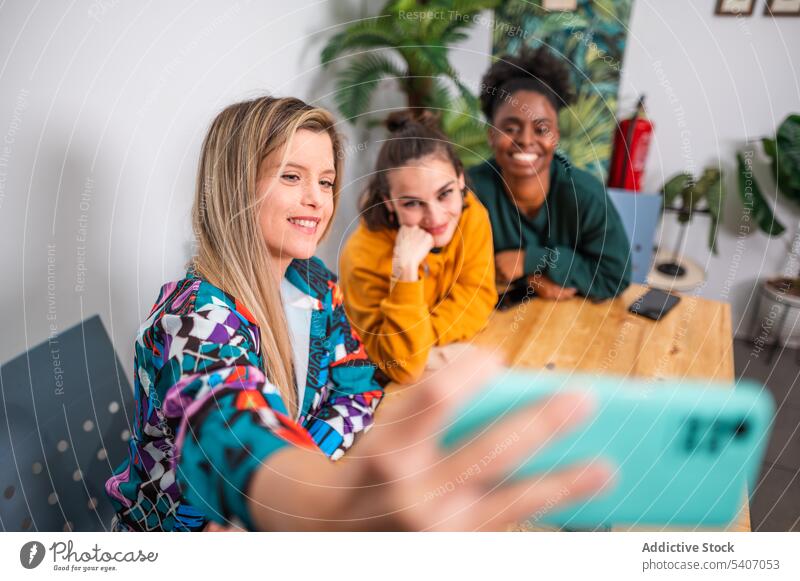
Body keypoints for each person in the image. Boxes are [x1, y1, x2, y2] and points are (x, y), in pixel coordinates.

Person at [105, 96, 612, 531]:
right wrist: (321, 498)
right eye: (291, 177)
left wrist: (315, 464)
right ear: (235, 186)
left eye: (326, 182)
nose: (317, 200)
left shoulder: (317, 285)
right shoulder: (193, 318)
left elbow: (361, 386)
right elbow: (232, 431)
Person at [339, 111, 497, 384]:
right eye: (412, 203)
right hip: (376, 384)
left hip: (435, 361)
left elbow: (478, 296)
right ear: (389, 202)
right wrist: (405, 270)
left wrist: (423, 337)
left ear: (460, 179)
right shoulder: (361, 257)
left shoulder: (471, 215)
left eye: (445, 194)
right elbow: (402, 366)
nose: (435, 218)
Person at [468, 47, 632, 301]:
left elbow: (614, 278)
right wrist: (532, 281)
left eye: (541, 129)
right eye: (510, 128)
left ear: (555, 136)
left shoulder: (585, 196)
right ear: (492, 134)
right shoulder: (469, 190)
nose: (525, 140)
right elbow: (449, 267)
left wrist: (534, 260)